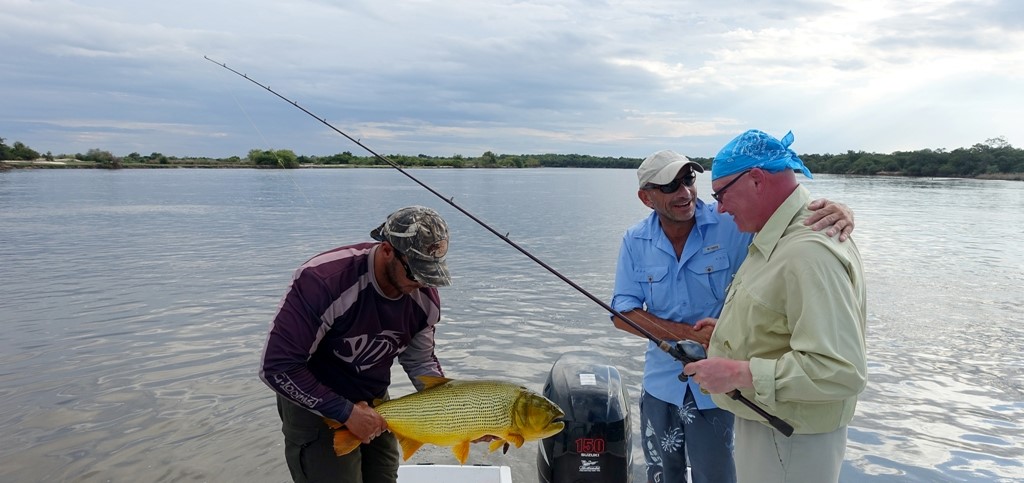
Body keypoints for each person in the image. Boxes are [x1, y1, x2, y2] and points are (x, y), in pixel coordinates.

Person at [610, 149, 854, 483]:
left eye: (688, 180)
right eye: (669, 186)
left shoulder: (732, 222)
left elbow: (791, 221)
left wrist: (841, 210)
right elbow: (622, 314)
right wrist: (690, 334)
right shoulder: (634, 240)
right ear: (646, 197)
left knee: (719, 475)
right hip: (659, 385)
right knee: (661, 475)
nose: (684, 193)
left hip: (722, 387)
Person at [683, 130, 868, 483]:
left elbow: (841, 369)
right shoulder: (777, 234)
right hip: (774, 427)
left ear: (755, 180)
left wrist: (737, 373)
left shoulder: (807, 251)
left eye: (721, 194)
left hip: (791, 440)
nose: (719, 208)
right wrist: (728, 334)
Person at [260, 205, 452, 483]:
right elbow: (277, 367)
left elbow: (420, 361)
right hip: (315, 403)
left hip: (375, 400)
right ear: (387, 250)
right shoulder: (323, 281)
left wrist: (462, 416)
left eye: (430, 274)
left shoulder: (424, 300)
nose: (423, 283)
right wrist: (345, 412)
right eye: (416, 273)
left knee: (384, 476)